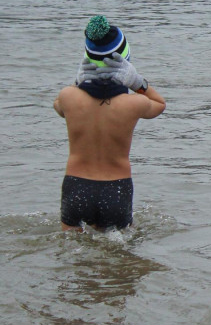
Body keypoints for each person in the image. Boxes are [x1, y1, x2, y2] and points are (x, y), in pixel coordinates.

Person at [54, 16, 166, 231]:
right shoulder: (134, 103)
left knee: (72, 257)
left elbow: (58, 107)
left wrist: (79, 82)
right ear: (125, 61)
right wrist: (137, 82)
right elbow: (160, 104)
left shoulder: (68, 97)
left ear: (87, 60)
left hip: (76, 186)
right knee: (119, 258)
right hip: (116, 188)